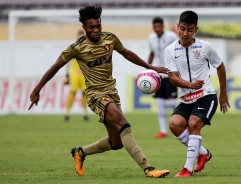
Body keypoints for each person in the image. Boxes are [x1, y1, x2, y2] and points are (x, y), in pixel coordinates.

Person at [28, 5, 170, 178]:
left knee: (116, 142)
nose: (96, 30)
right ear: (84, 28)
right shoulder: (77, 47)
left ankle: (80, 152)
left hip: (112, 92)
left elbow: (127, 54)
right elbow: (55, 67)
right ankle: (148, 168)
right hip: (95, 95)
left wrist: (151, 67)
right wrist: (37, 89)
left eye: (98, 26)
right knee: (122, 123)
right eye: (91, 27)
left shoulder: (110, 39)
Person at [164, 10, 230, 177]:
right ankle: (204, 153)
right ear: (177, 27)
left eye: (190, 29)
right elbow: (172, 78)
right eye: (182, 28)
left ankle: (187, 169)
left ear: (196, 30)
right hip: (186, 98)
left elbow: (220, 66)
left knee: (193, 124)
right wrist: (190, 85)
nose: (185, 33)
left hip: (206, 95)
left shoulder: (205, 47)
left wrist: (223, 94)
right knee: (174, 124)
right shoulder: (170, 50)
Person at [148, 17, 178, 139]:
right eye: (155, 26)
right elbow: (152, 53)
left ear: (163, 26)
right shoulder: (151, 38)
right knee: (160, 103)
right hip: (158, 75)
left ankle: (184, 119)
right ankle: (163, 131)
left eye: (159, 26)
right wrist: (148, 69)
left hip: (170, 73)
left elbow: (179, 50)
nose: (157, 29)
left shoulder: (171, 36)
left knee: (171, 102)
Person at [64, 29, 89, 121]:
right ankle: (67, 113)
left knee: (84, 94)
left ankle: (85, 114)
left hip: (83, 74)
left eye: (82, 36)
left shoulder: (87, 48)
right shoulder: (72, 47)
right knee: (72, 93)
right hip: (74, 73)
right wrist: (67, 75)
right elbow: (67, 61)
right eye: (79, 36)